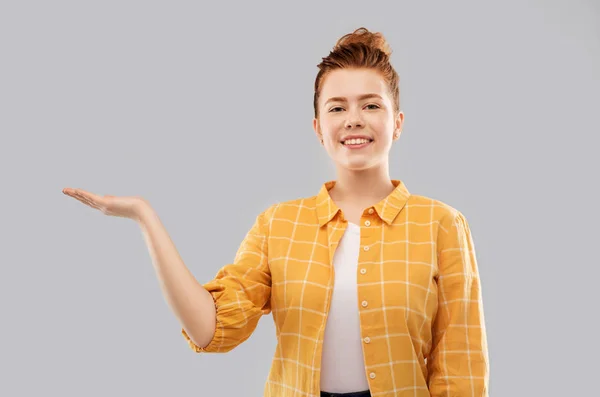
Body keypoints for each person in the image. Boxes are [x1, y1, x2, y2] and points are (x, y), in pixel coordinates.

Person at [63, 27, 489, 397]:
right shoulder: (278, 224)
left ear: (397, 122)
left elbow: (460, 369)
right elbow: (210, 329)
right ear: (318, 127)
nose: (354, 119)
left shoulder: (442, 225)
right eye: (337, 107)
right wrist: (144, 216)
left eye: (371, 105)